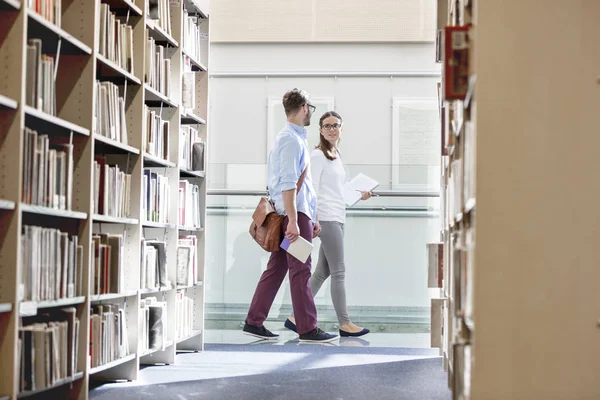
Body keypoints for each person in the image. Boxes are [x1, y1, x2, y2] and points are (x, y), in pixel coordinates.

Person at [243, 89, 338, 343]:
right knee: (301, 270)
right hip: (291, 216)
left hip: (296, 214)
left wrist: (312, 216)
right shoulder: (290, 140)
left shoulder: (294, 139)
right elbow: (288, 184)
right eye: (311, 110)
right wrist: (296, 221)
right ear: (305, 108)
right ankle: (307, 327)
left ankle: (254, 321)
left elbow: (303, 186)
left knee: (277, 268)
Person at [285, 111, 371, 337]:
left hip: (337, 214)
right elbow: (307, 187)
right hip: (326, 217)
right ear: (321, 130)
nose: (332, 129)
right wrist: (313, 219)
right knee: (339, 271)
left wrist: (359, 195)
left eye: (336, 125)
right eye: (327, 126)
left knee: (322, 272)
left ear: (341, 129)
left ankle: (295, 317)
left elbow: (337, 190)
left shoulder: (335, 154)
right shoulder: (317, 156)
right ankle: (345, 323)